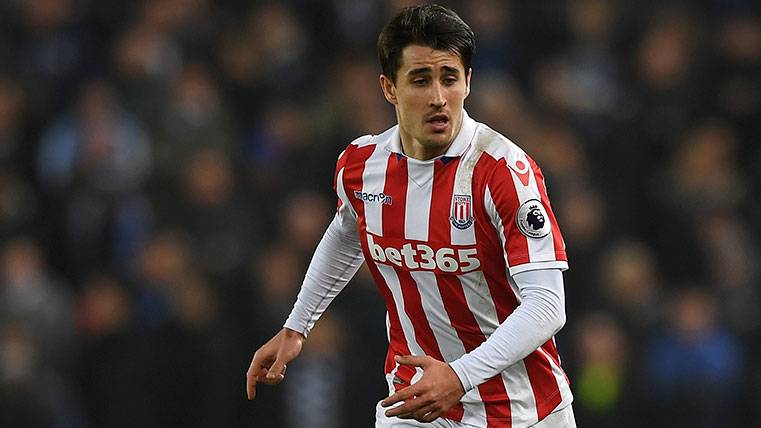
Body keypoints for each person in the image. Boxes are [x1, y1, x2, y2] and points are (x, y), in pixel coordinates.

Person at [247, 5, 576, 427]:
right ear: (389, 88)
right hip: (415, 403)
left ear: (468, 82)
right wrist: (297, 326)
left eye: (450, 78)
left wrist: (459, 376)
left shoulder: (502, 172)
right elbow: (348, 232)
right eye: (421, 80)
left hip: (523, 411)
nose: (438, 97)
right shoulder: (361, 166)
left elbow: (548, 305)